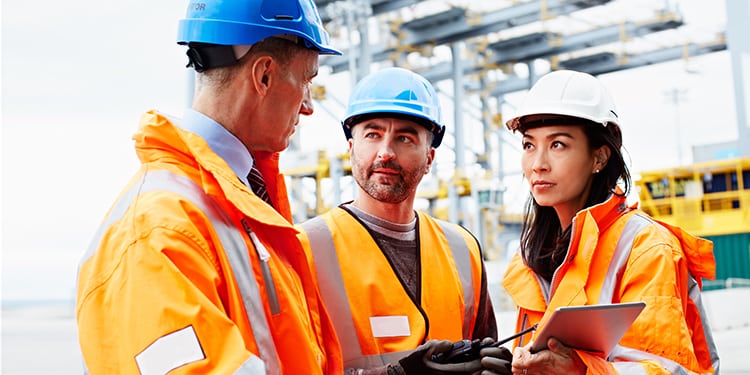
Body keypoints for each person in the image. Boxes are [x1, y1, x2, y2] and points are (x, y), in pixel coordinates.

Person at [75, 1, 345, 373]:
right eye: (307, 80)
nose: (309, 106)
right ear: (264, 76)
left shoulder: (233, 202)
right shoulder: (159, 228)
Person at [500, 70, 720, 374]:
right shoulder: (535, 256)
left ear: (600, 158)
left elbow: (664, 368)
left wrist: (580, 370)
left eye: (558, 145)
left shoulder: (646, 248)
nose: (538, 164)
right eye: (528, 145)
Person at [297, 67, 512, 375]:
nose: (385, 152)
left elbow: (483, 350)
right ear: (351, 148)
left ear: (429, 158)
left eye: (405, 138)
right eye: (373, 134)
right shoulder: (305, 247)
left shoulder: (463, 250)